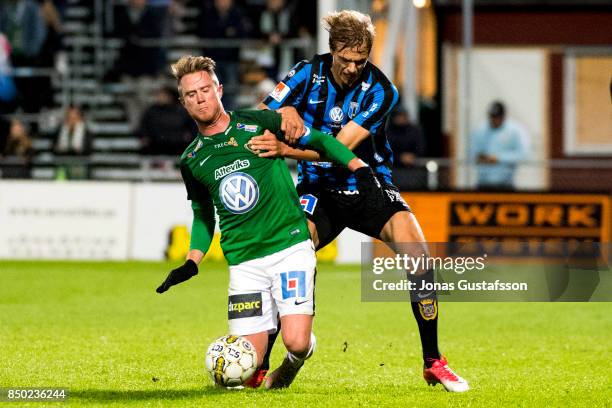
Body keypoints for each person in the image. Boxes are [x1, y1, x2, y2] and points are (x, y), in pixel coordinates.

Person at [251, 10, 469, 392]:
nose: (352, 69)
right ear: (332, 50)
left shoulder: (382, 90)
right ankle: (273, 359)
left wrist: (284, 148)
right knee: (291, 253)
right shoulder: (306, 72)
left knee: (418, 254)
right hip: (318, 189)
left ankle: (433, 361)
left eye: (360, 60)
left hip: (367, 180)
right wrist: (283, 110)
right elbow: (261, 113)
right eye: (345, 59)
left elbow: (342, 148)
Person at [155, 55, 377, 389]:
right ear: (183, 102)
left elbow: (320, 141)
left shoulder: (257, 121)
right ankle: (261, 365)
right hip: (244, 263)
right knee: (246, 372)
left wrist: (356, 165)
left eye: (205, 89)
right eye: (191, 94)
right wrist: (192, 261)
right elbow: (202, 213)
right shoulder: (191, 159)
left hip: (289, 247)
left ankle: (292, 364)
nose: (200, 98)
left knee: (297, 343)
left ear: (219, 89)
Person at [470, 101, 530, 190]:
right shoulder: (480, 130)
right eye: (492, 117)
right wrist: (481, 157)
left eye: (497, 117)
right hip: (483, 184)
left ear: (503, 116)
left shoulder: (515, 130)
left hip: (505, 184)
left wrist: (498, 158)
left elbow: (523, 155)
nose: (494, 120)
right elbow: (472, 154)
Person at [137, 86, 194, 155]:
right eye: (159, 95)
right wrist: (144, 136)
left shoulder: (181, 110)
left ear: (170, 96)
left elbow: (192, 127)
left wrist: (188, 135)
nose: (160, 97)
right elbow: (143, 126)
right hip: (156, 142)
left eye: (163, 95)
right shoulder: (152, 110)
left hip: (177, 143)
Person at [386, 107, 427, 190]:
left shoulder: (415, 130)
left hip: (413, 169)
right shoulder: (388, 132)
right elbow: (384, 151)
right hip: (394, 169)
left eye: (403, 116)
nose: (401, 119)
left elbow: (421, 147)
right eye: (398, 116)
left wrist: (413, 156)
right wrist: (400, 157)